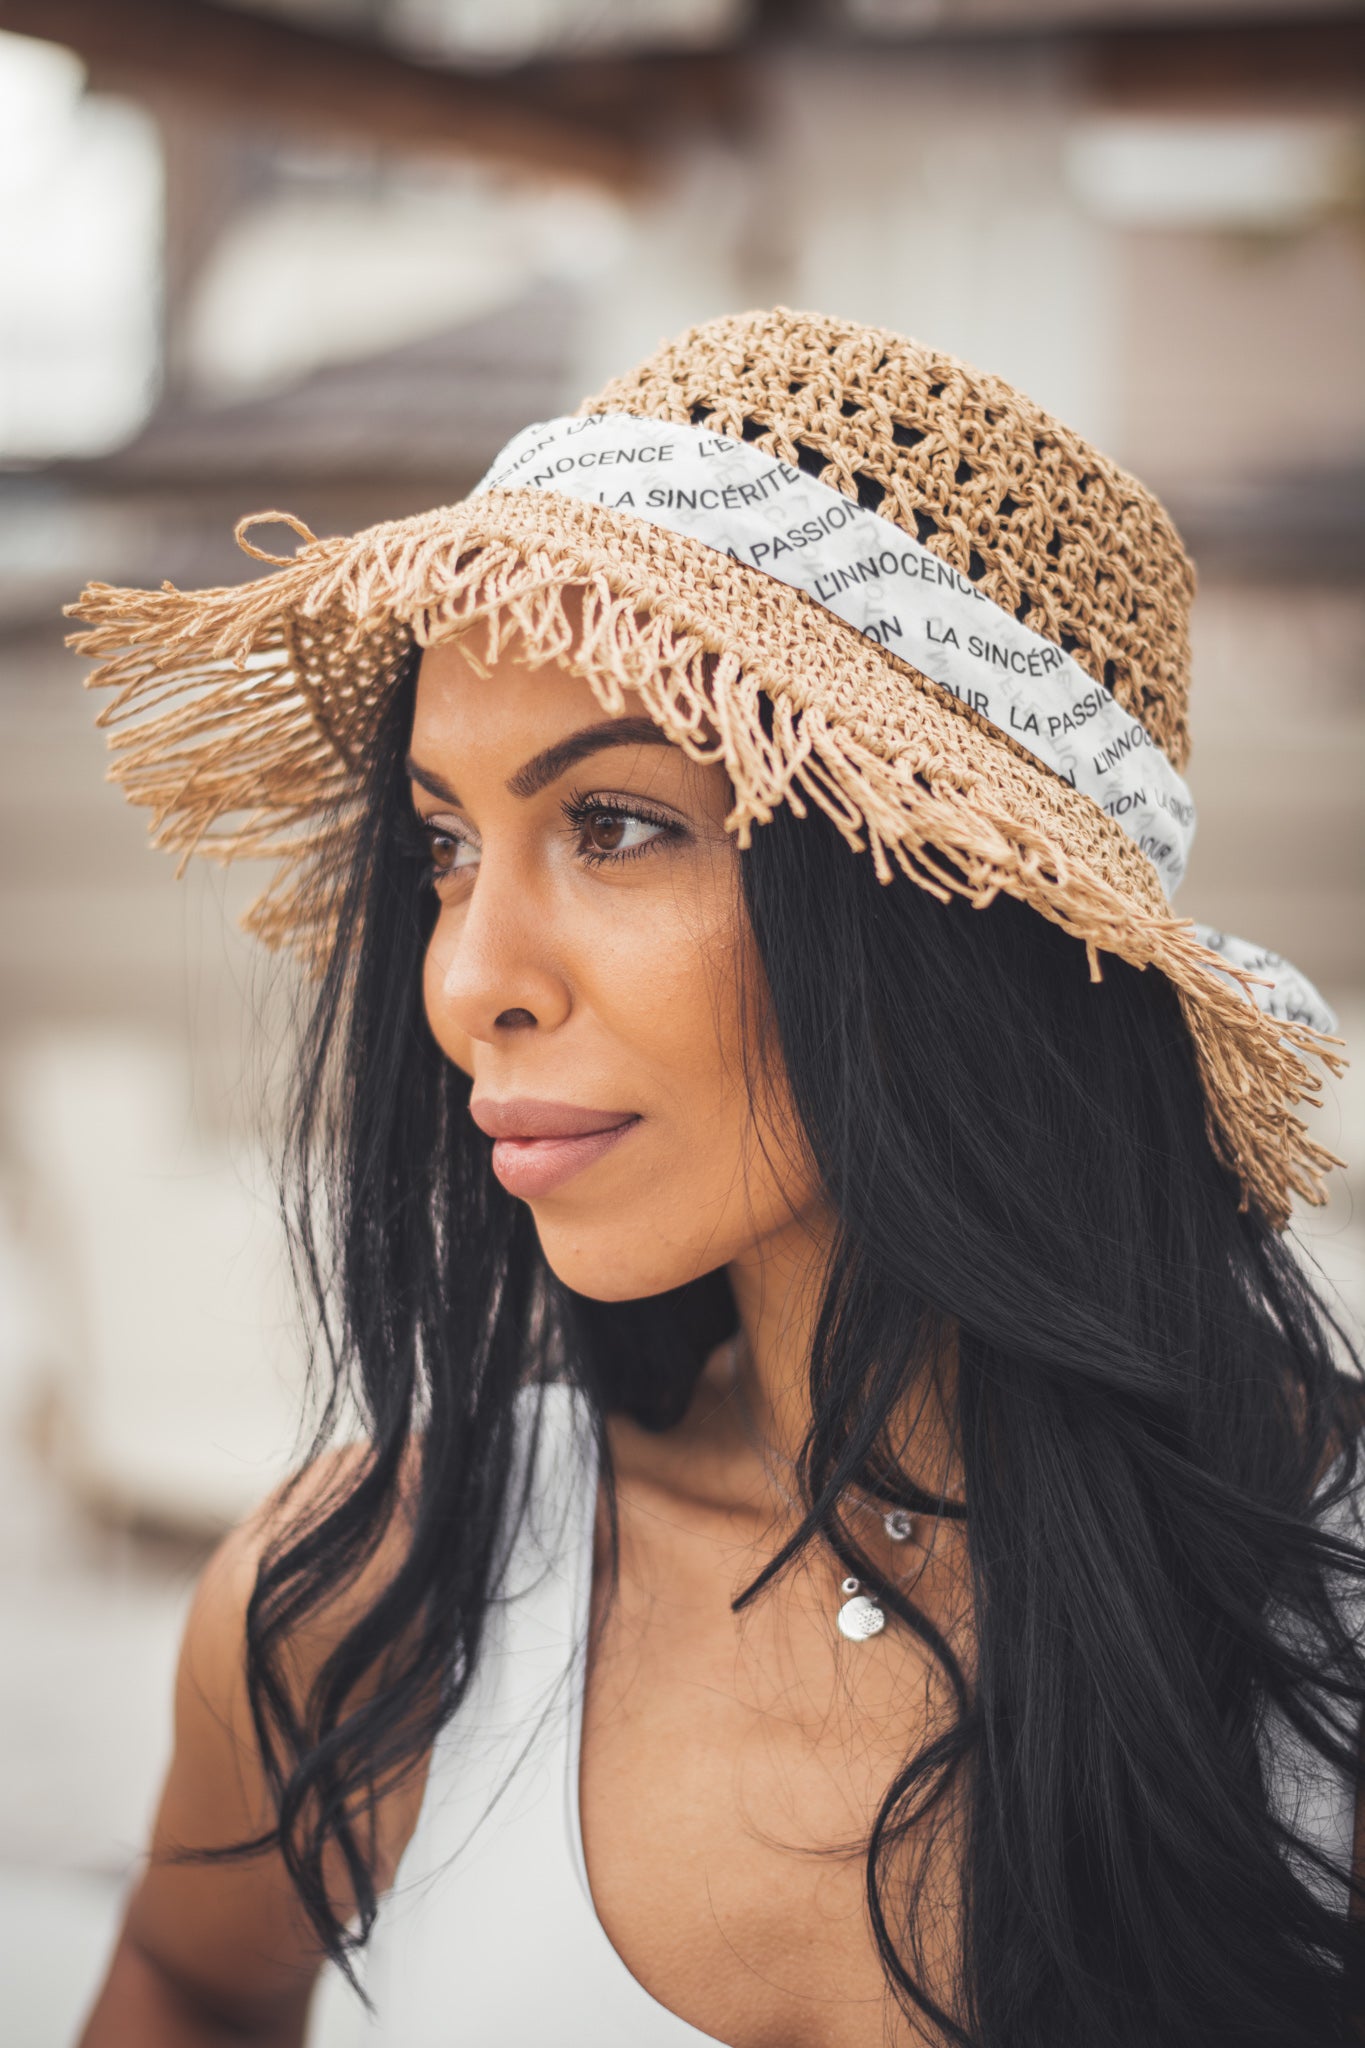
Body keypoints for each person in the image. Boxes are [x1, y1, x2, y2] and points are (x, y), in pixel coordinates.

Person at [70, 307, 1364, 2048]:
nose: (462, 982)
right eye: (443, 847)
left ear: (939, 902)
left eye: (611, 823)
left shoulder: (1322, 1602)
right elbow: (188, 1982)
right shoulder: (369, 1596)